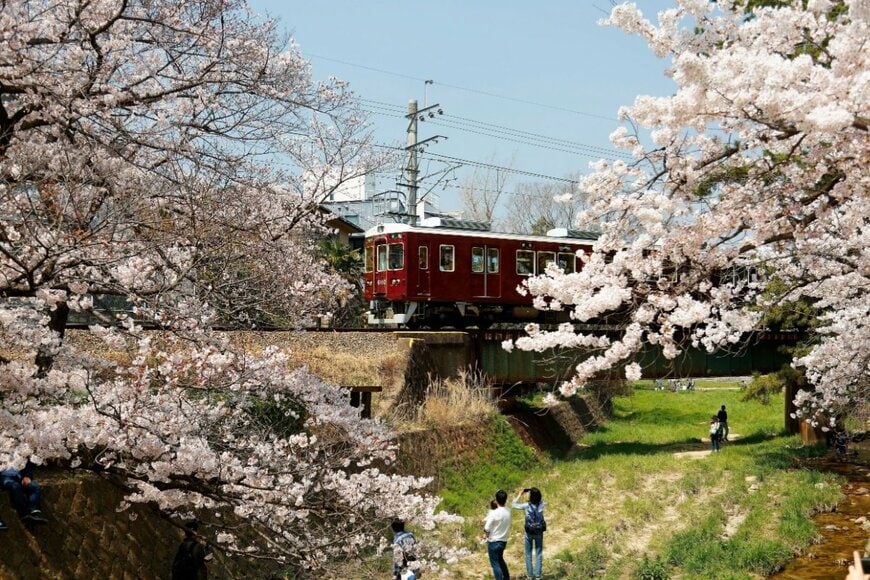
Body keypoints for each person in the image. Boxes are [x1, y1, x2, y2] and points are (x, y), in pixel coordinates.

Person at [512, 487, 546, 580]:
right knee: (538, 553)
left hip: (529, 532)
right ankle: (538, 576)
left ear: (531, 496)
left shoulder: (526, 505)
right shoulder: (542, 504)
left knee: (528, 554)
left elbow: (513, 504)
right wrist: (533, 491)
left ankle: (530, 576)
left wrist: (520, 494)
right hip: (539, 532)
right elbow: (540, 499)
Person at [483, 489, 511, 580]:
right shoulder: (508, 511)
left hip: (494, 541)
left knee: (495, 564)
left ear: (496, 499)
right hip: (503, 541)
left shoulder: (494, 513)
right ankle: (506, 577)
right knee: (500, 560)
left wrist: (486, 534)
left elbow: (487, 528)